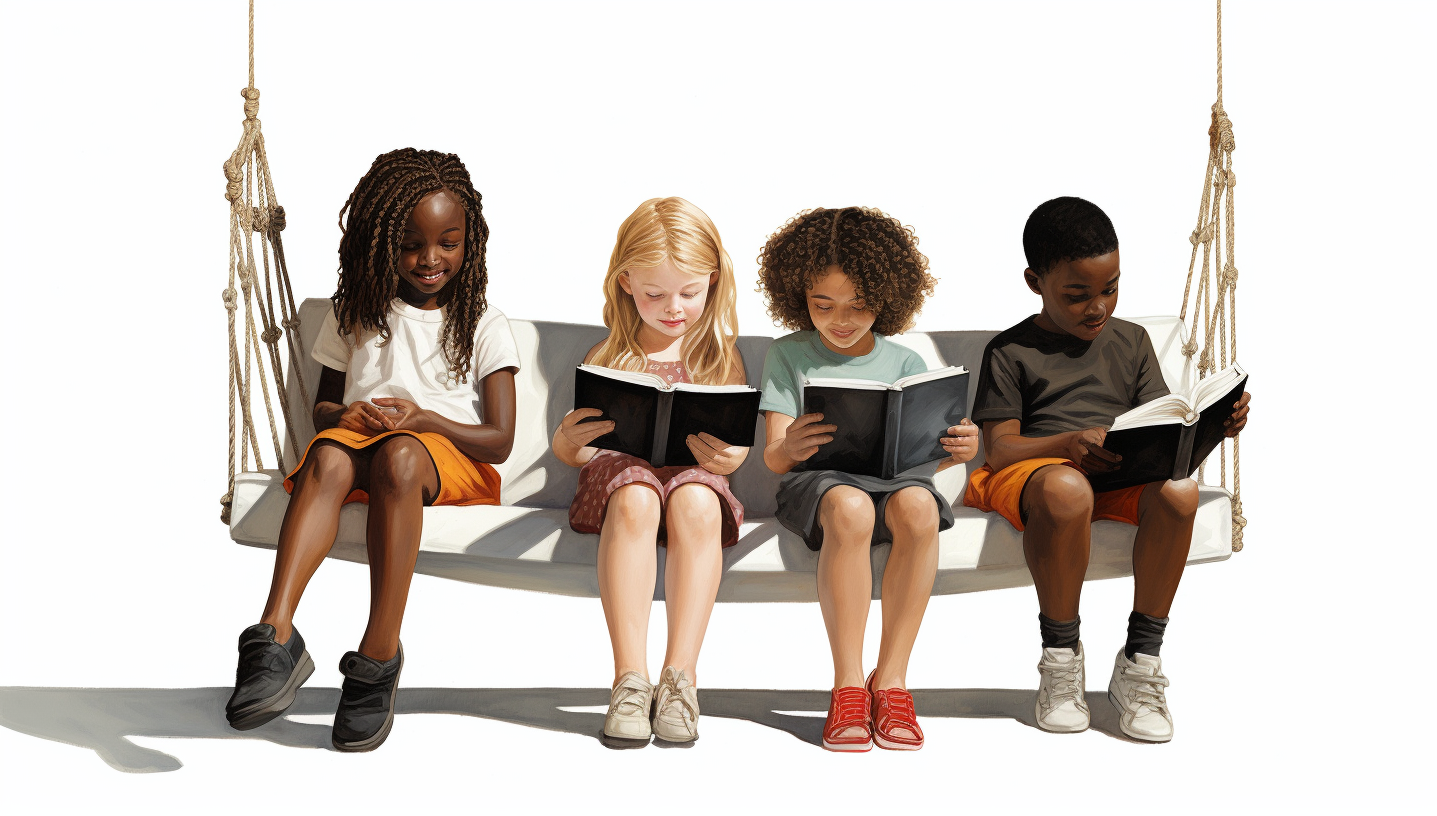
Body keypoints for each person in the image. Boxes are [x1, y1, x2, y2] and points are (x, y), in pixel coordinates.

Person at [225, 148, 519, 752]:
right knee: (330, 453)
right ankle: (274, 636)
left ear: (471, 243)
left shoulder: (483, 323)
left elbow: (500, 441)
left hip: (443, 464)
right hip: (362, 445)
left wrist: (426, 420)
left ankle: (379, 654)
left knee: (401, 455)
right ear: (379, 240)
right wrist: (346, 414)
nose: (430, 259)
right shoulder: (356, 311)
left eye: (448, 243)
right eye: (411, 244)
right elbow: (324, 409)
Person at [966, 196, 1251, 742]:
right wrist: (1069, 443)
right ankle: (1061, 658)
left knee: (1178, 491)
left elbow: (1167, 433)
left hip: (1116, 471)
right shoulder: (1011, 350)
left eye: (1110, 287)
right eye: (1077, 295)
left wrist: (1216, 426)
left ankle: (1141, 663)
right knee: (1069, 488)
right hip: (1037, 474)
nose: (1098, 306)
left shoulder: (1132, 341)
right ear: (1035, 282)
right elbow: (999, 450)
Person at [757, 207, 979, 752]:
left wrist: (957, 451)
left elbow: (923, 459)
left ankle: (893, 680)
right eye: (822, 305)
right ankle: (849, 684)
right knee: (853, 507)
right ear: (797, 297)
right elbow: (774, 459)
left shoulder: (904, 359)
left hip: (894, 481)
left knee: (921, 509)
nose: (841, 320)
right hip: (821, 486)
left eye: (860, 306)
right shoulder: (787, 354)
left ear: (887, 296)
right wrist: (791, 446)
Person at [553, 197, 748, 746]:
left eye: (690, 292)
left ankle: (680, 678)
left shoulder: (720, 357)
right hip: (622, 484)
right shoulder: (608, 352)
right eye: (654, 294)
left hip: (693, 482)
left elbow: (736, 445)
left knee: (696, 499)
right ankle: (629, 680)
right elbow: (575, 451)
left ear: (713, 281)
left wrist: (734, 459)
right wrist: (567, 441)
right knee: (637, 493)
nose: (673, 309)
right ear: (624, 284)